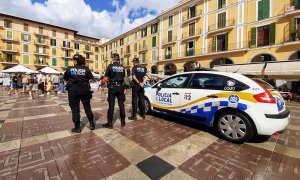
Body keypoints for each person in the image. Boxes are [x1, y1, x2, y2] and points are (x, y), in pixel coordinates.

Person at [63, 54, 95, 133]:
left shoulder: (69, 69)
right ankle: (91, 124)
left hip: (73, 90)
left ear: (75, 61)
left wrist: (72, 81)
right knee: (87, 107)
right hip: (85, 90)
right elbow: (91, 79)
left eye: (73, 60)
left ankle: (77, 127)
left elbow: (65, 78)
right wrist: (85, 82)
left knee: (75, 109)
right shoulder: (86, 69)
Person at [103, 53, 126, 128]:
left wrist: (107, 82)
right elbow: (124, 77)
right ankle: (123, 122)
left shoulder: (110, 66)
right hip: (120, 87)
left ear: (113, 58)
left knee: (111, 105)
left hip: (112, 87)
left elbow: (106, 78)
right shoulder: (122, 67)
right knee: (121, 104)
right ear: (118, 58)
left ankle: (110, 123)